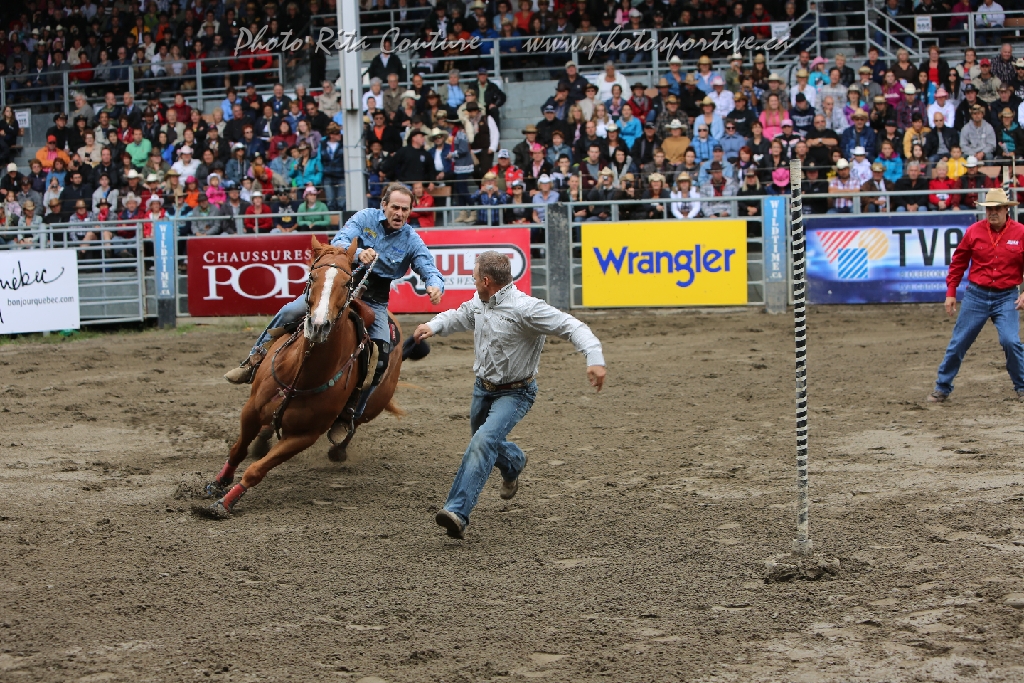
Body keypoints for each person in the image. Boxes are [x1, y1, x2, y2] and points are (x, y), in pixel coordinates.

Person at [224, 183, 445, 440]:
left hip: (374, 300)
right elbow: (339, 240)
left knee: (382, 356)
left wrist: (434, 285)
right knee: (289, 312)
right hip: (339, 289)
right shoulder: (365, 218)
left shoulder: (411, 239)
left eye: (405, 209)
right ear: (383, 205)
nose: (399, 213)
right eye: (395, 207)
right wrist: (358, 253)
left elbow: (428, 267)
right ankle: (253, 361)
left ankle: (349, 414)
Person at [413, 250, 606, 538]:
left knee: (482, 441)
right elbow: (460, 315)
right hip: (483, 388)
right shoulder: (480, 301)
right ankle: (514, 461)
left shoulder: (526, 308)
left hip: (516, 393)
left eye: (474, 277)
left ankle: (457, 511)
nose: (472, 280)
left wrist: (595, 357)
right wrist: (434, 325)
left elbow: (571, 326)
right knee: (484, 439)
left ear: (486, 281)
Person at [929, 189, 1024, 402]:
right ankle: (942, 386)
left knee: (1010, 341)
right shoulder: (974, 231)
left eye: (996, 208)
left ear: (1006, 210)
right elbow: (958, 262)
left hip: (1007, 296)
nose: (992, 213)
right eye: (989, 209)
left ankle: (1022, 385)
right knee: (959, 341)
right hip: (976, 294)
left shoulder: (1021, 233)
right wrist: (951, 292)